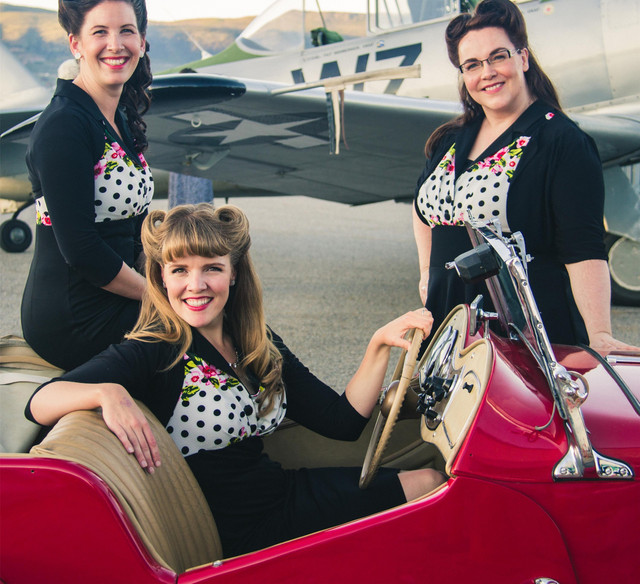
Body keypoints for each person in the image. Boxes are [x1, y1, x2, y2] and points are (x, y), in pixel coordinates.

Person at [26, 203, 445, 558]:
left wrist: (378, 345)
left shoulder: (255, 341)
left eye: (212, 268)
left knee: (432, 482)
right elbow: (39, 401)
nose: (195, 286)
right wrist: (107, 392)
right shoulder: (156, 348)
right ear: (161, 278)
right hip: (240, 533)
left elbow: (341, 421)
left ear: (234, 273)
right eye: (179, 270)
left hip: (281, 492)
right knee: (428, 488)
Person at [413, 0, 634, 350]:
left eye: (498, 56)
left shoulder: (562, 141)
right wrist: (428, 274)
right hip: (447, 331)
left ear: (523, 58)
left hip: (523, 338)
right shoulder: (449, 139)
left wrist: (600, 334)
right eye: (472, 65)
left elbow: (583, 248)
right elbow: (423, 210)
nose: (487, 72)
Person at [21, 0, 154, 370]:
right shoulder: (65, 124)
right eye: (100, 32)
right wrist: (159, 298)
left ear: (142, 41)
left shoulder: (117, 116)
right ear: (76, 44)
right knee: (210, 330)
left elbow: (134, 230)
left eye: (126, 31)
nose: (116, 44)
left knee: (231, 312)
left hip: (119, 296)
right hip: (74, 317)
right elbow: (81, 250)